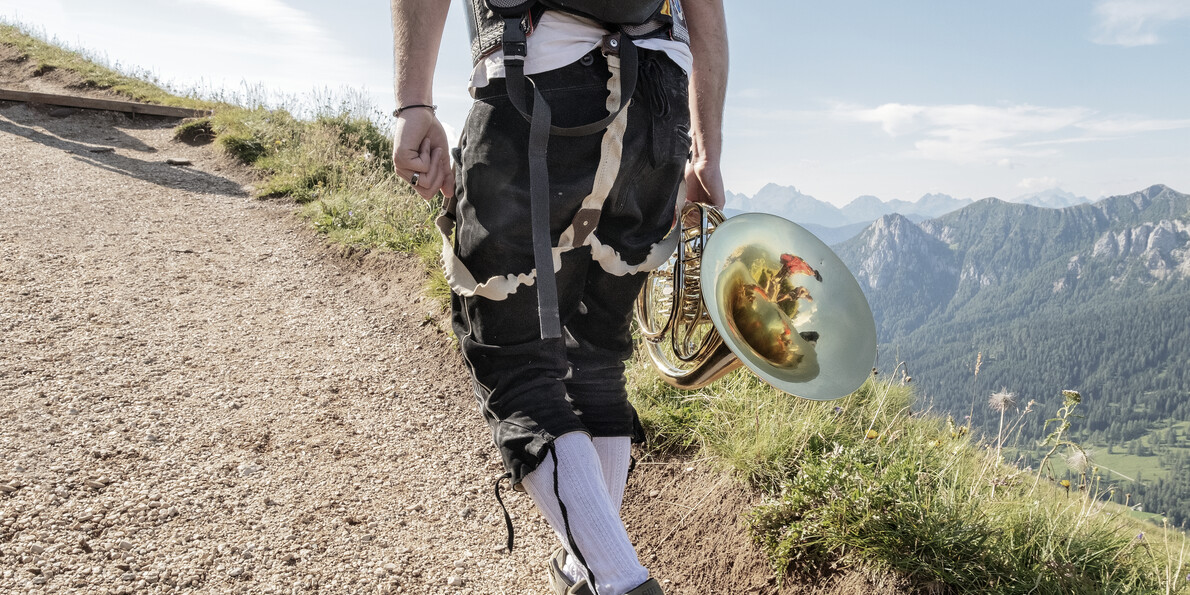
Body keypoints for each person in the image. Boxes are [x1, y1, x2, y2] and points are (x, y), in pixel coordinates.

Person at [389, 1, 726, 593]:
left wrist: (413, 103)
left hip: (536, 80)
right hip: (659, 106)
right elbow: (707, 9)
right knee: (596, 356)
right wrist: (706, 153)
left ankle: (618, 581)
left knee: (515, 362)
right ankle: (582, 568)